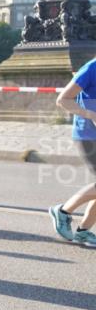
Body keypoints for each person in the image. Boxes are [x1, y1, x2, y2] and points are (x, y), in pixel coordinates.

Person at [49, 56, 96, 247]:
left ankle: (84, 230)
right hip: (88, 134)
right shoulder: (92, 68)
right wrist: (91, 114)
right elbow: (63, 100)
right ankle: (63, 211)